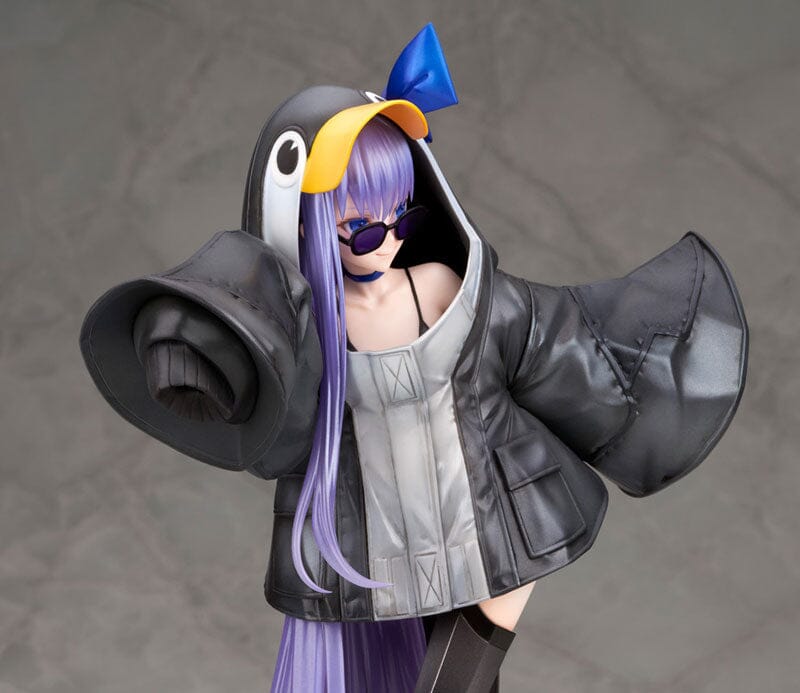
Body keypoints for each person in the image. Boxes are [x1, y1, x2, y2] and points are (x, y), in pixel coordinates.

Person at [79, 27, 749, 693]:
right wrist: (193, 362)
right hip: (372, 552)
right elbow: (257, 410)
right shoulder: (304, 331)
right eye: (360, 228)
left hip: (482, 527)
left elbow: (563, 343)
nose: (386, 242)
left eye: (401, 217)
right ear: (303, 219)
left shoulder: (448, 288)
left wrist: (662, 348)